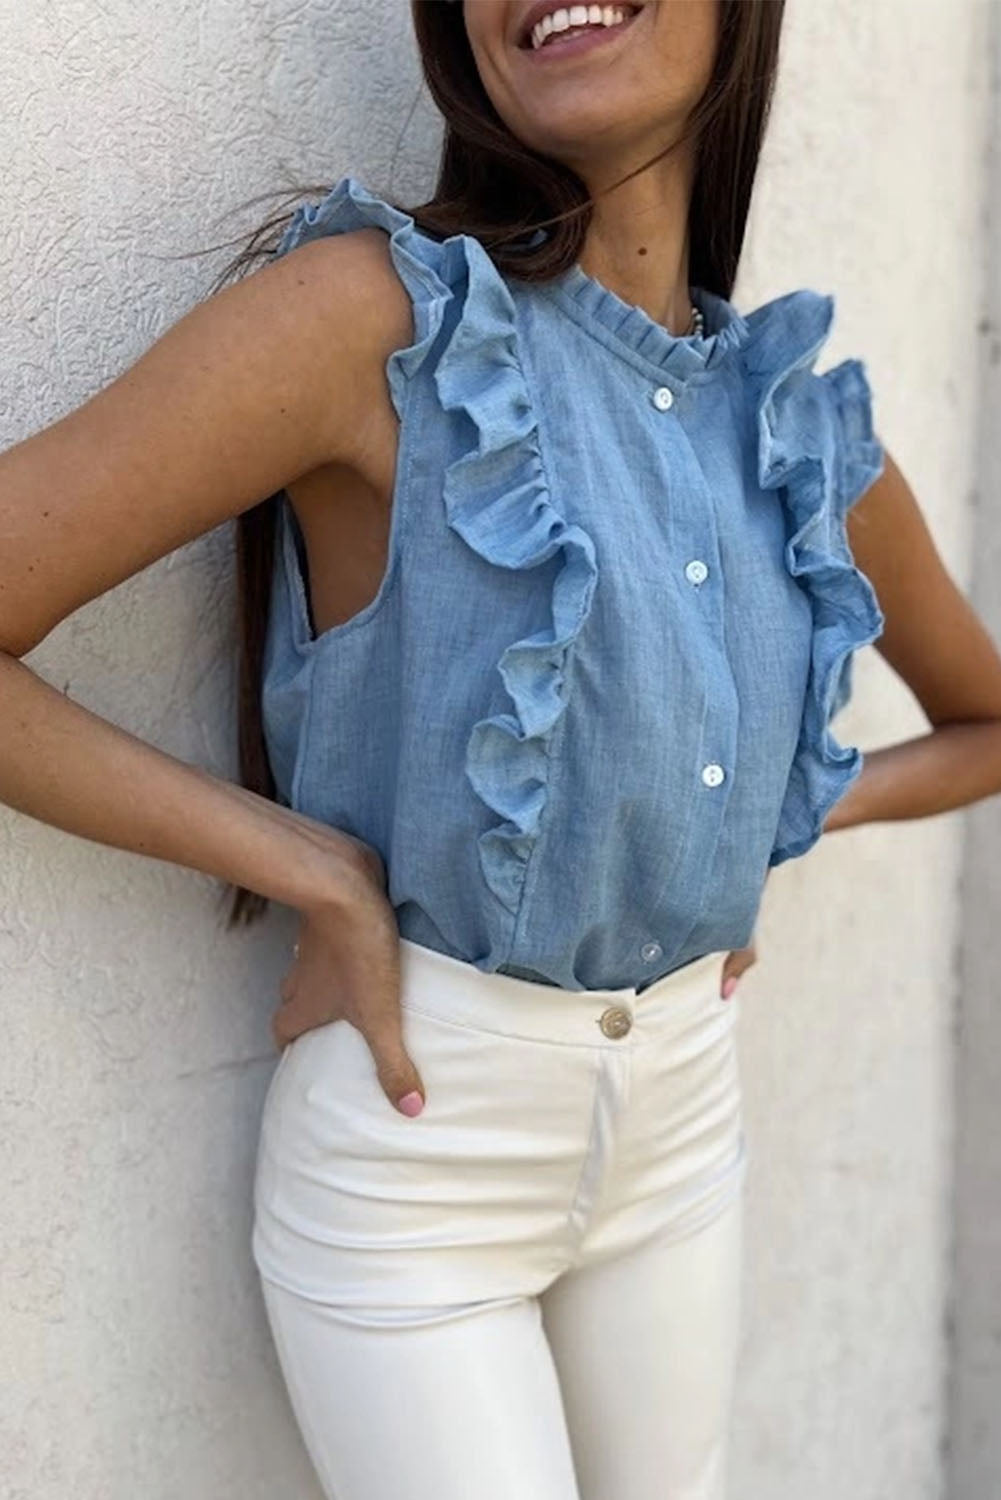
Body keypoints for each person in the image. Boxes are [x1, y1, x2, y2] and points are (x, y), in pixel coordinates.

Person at [4, 2, 1001, 1497]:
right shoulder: (374, 322)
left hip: (683, 1131)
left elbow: (983, 724)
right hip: (421, 1149)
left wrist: (768, 819)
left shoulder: (786, 423)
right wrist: (308, 867)